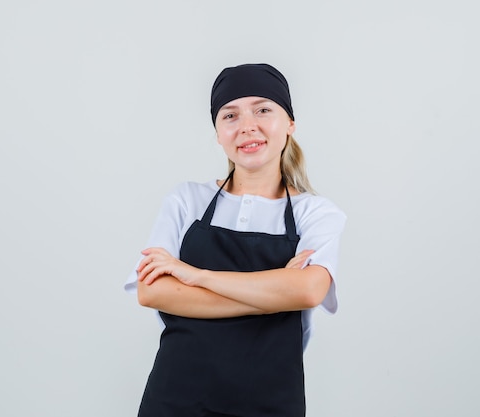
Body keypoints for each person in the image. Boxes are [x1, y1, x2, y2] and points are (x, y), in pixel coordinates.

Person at [124, 63, 346, 417]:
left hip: (270, 404)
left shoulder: (316, 213)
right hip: (175, 400)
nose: (247, 126)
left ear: (289, 123)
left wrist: (197, 276)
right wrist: (275, 296)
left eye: (263, 110)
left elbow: (308, 291)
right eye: (230, 115)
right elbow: (152, 291)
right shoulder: (186, 200)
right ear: (217, 133)